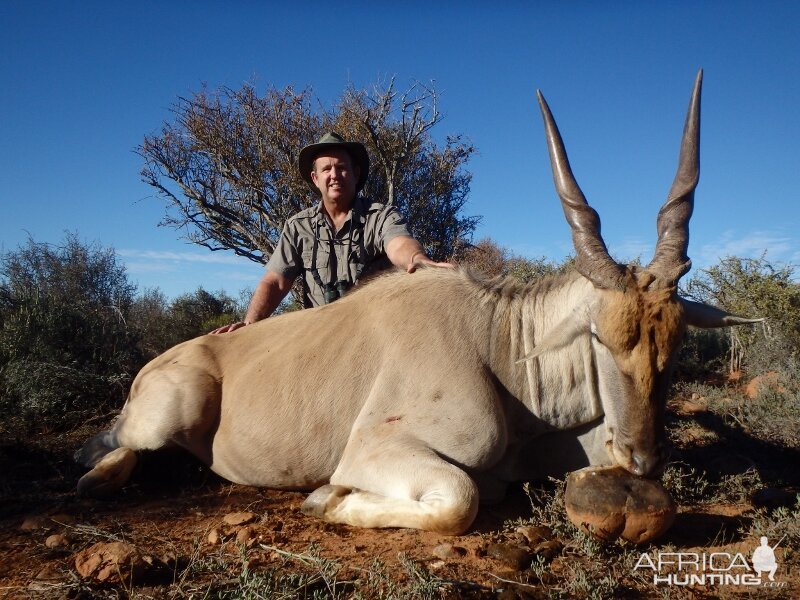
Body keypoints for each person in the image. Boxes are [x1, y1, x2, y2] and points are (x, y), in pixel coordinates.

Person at [212, 132, 451, 334]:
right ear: (316, 178)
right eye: (326, 169)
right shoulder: (298, 226)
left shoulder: (381, 216)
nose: (334, 175)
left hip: (374, 334)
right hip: (320, 338)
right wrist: (249, 325)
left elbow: (399, 243)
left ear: (356, 174)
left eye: (341, 168)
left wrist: (418, 261)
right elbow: (276, 281)